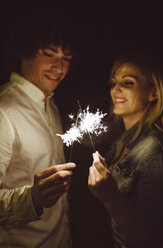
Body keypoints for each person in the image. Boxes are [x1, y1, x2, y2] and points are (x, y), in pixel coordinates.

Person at [0, 10, 79, 248]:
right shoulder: (4, 111)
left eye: (67, 57)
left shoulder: (50, 103)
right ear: (25, 50)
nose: (60, 67)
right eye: (49, 54)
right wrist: (32, 198)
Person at [88, 53, 163, 248]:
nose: (115, 89)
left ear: (153, 93)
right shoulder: (120, 143)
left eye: (128, 83)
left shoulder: (154, 152)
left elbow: (151, 239)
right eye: (113, 83)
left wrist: (110, 197)